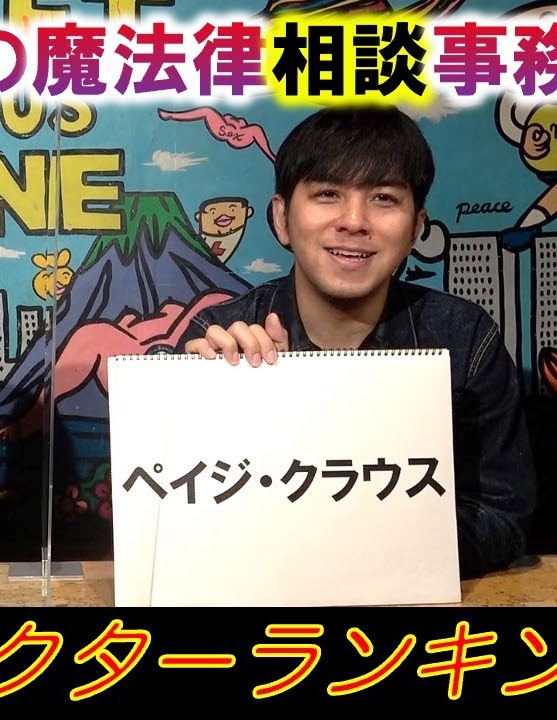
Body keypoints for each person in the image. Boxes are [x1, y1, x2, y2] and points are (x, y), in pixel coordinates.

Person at [177, 106, 537, 580]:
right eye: (327, 194)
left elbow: (502, 515)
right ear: (281, 218)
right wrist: (208, 396)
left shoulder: (463, 338)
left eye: (383, 198)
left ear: (415, 229)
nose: (353, 221)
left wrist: (355, 543)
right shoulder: (221, 336)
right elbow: (173, 519)